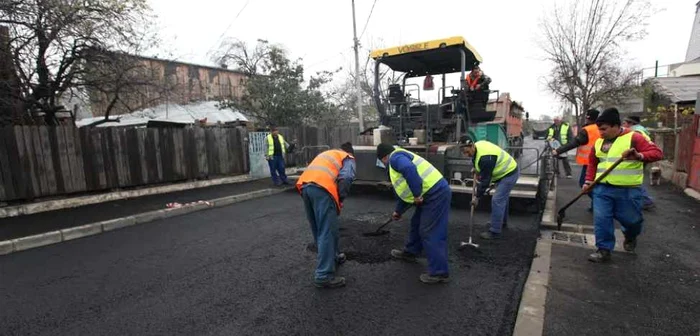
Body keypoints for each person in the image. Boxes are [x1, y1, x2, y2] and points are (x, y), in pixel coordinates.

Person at [583, 108, 663, 263]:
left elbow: (657, 153)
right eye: (599, 129)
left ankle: (630, 235)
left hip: (628, 190)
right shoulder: (599, 142)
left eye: (604, 129)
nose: (601, 132)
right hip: (602, 189)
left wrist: (639, 156)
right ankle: (603, 249)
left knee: (632, 221)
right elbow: (592, 163)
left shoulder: (634, 138)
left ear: (615, 126)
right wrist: (588, 181)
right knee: (602, 219)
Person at [376, 143, 452, 284]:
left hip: (436, 193)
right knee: (416, 223)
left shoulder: (395, 157)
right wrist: (398, 211)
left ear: (384, 157)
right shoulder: (397, 159)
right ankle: (411, 252)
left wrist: (417, 194)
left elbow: (409, 169)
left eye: (381, 161)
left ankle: (439, 272)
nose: (382, 164)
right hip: (429, 194)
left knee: (430, 231)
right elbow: (405, 191)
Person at [296, 142, 356, 288]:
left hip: (306, 188)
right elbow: (347, 177)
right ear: (350, 153)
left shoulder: (327, 154)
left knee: (319, 228)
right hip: (323, 189)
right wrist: (340, 199)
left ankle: (334, 256)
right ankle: (323, 275)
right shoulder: (348, 157)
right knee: (327, 231)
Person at [459, 138, 519, 239]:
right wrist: (476, 168)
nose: (466, 155)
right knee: (502, 199)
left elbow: (485, 181)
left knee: (497, 200)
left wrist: (477, 197)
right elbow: (477, 160)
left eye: (467, 152)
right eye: (464, 153)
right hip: (502, 173)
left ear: (472, 146)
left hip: (509, 173)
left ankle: (495, 231)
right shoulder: (477, 147)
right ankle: (501, 222)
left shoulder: (486, 158)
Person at [551, 109, 601, 211]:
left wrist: (558, 151)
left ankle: (599, 202)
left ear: (588, 117)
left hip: (589, 162)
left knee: (584, 183)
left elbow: (574, 142)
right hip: (601, 161)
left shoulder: (587, 130)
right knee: (595, 184)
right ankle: (595, 205)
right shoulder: (601, 128)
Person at [623, 115, 655, 210]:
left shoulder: (636, 132)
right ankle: (645, 199)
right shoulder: (641, 129)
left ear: (631, 123)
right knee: (634, 180)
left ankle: (646, 201)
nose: (623, 125)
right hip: (642, 156)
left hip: (638, 157)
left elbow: (635, 145)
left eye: (625, 123)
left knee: (633, 181)